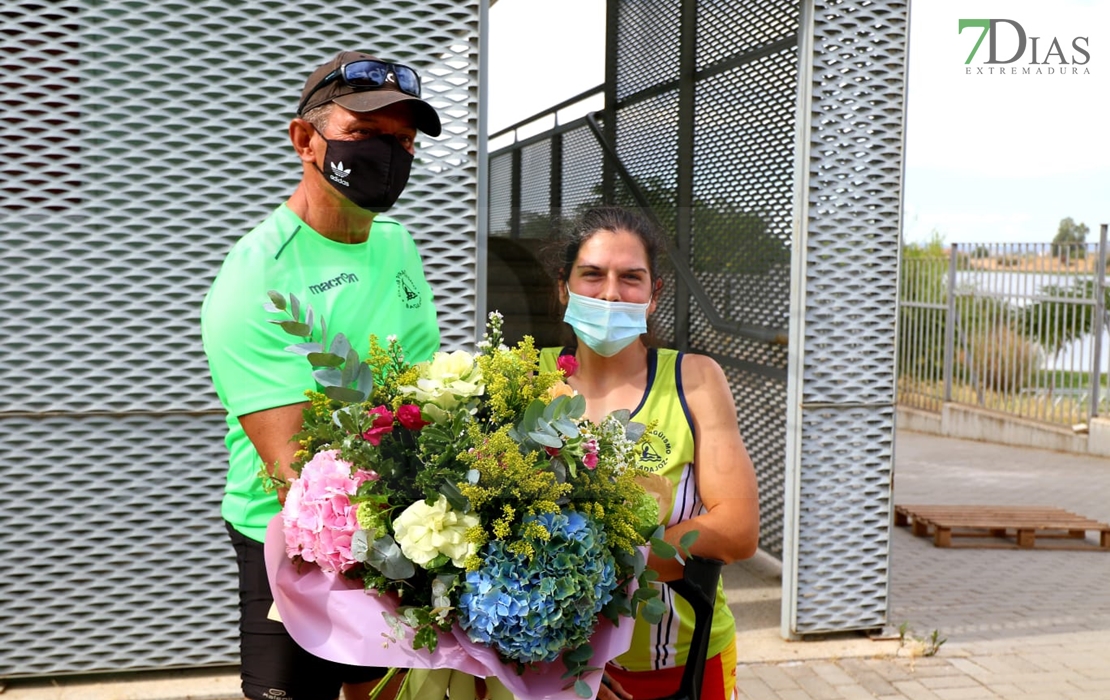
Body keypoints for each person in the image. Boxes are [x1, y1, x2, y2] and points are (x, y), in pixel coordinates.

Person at [201, 50, 442, 700]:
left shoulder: (399, 246)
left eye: (402, 141)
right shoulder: (258, 276)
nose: (388, 156)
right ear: (306, 140)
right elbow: (291, 470)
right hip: (292, 536)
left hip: (398, 520)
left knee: (382, 688)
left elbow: (424, 398)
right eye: (365, 135)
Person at [538, 207, 761, 700]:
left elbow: (738, 528)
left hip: (683, 665)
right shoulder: (520, 379)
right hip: (547, 667)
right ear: (564, 287)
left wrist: (609, 566)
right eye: (592, 274)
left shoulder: (696, 380)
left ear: (654, 294)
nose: (612, 292)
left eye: (631, 278)